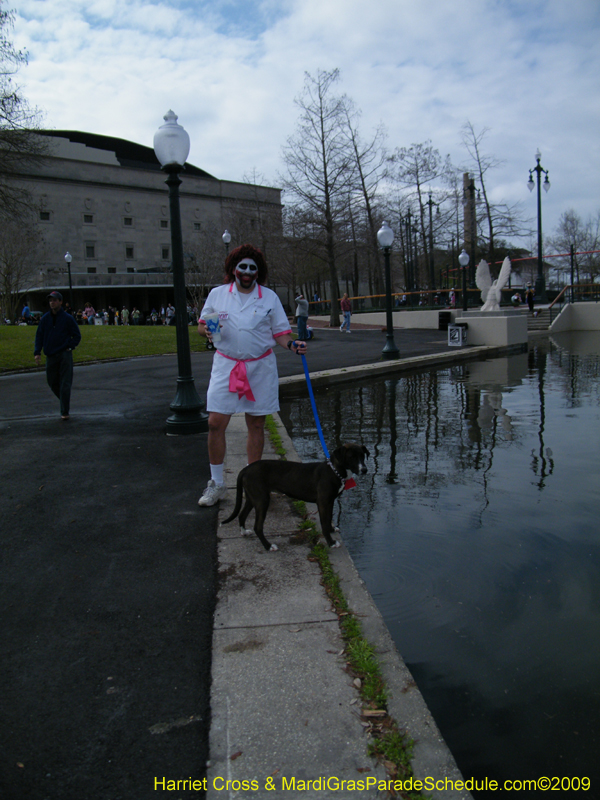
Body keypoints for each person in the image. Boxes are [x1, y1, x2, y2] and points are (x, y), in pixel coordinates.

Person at [196, 244, 307, 506]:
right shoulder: (218, 294)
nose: (247, 272)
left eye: (252, 268)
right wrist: (208, 332)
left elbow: (280, 332)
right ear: (233, 269)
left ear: (258, 272)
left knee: (256, 424)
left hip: (259, 368)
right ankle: (217, 484)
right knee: (215, 422)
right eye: (242, 267)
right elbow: (202, 325)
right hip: (226, 366)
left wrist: (293, 344)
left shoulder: (268, 298)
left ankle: (254, 483)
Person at [34, 291, 82, 420]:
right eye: (50, 300)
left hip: (64, 354)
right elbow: (39, 336)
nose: (52, 302)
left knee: (65, 383)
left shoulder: (67, 318)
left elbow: (77, 335)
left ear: (60, 302)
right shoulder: (45, 319)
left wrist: (70, 346)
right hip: (51, 354)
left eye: (55, 300)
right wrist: (37, 352)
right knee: (52, 381)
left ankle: (64, 411)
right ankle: (64, 399)